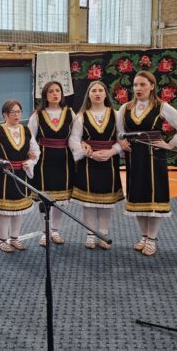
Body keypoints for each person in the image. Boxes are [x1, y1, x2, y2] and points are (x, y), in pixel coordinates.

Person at [117, 71, 177, 257]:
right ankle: (143, 236)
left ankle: (152, 239)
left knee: (154, 196)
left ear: (152, 86)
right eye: (135, 85)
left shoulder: (162, 106)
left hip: (154, 156)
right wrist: (121, 141)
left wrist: (170, 144)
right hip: (134, 156)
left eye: (143, 84)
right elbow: (119, 131)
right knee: (138, 196)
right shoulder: (125, 108)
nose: (138, 88)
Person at [0, 100, 39, 252]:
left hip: (21, 174)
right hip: (4, 175)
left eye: (19, 112)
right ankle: (2, 240)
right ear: (5, 114)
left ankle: (15, 238)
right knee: (4, 211)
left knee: (19, 209)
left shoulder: (26, 130)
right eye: (13, 112)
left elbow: (36, 150)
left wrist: (30, 161)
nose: (16, 115)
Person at [70, 81, 124, 249]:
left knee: (106, 203)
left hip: (110, 163)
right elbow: (74, 139)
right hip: (88, 163)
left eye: (101, 90)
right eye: (94, 91)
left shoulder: (116, 115)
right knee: (89, 202)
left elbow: (122, 138)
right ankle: (90, 235)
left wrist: (112, 152)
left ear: (106, 94)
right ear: (89, 95)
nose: (97, 93)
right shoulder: (81, 117)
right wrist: (90, 153)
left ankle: (103, 234)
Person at [28, 81, 75, 247]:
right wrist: (30, 154)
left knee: (59, 199)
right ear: (45, 95)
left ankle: (55, 231)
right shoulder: (37, 115)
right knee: (44, 198)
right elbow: (30, 137)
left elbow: (77, 135)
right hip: (44, 160)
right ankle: (45, 232)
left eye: (57, 91)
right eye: (51, 91)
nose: (55, 94)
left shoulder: (69, 113)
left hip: (64, 160)